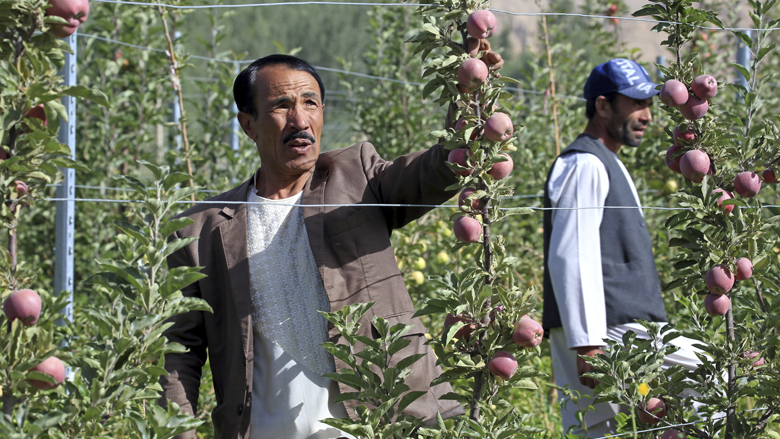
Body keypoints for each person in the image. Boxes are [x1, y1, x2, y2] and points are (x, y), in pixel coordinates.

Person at [159, 54, 472, 439]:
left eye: (310, 103)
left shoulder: (357, 177)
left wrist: (469, 102)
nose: (300, 120)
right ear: (248, 124)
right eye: (281, 106)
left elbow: (436, 171)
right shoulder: (201, 230)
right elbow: (178, 354)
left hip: (383, 424)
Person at [541, 58, 702, 436]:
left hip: (603, 326)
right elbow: (571, 254)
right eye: (635, 103)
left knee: (596, 430)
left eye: (648, 104)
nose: (646, 115)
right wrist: (587, 345)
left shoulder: (606, 162)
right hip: (609, 328)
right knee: (713, 378)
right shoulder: (585, 163)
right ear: (602, 106)